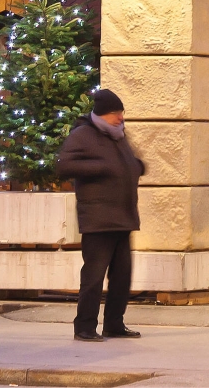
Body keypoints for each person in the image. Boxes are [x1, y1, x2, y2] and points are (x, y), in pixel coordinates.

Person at [54, 88, 145, 343]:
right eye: (116, 113)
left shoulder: (119, 136)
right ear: (103, 114)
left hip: (123, 217)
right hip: (98, 219)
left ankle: (114, 324)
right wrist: (101, 168)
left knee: (122, 277)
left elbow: (128, 163)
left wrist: (137, 166)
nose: (120, 117)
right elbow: (64, 165)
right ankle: (84, 326)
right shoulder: (83, 135)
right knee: (93, 277)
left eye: (121, 112)